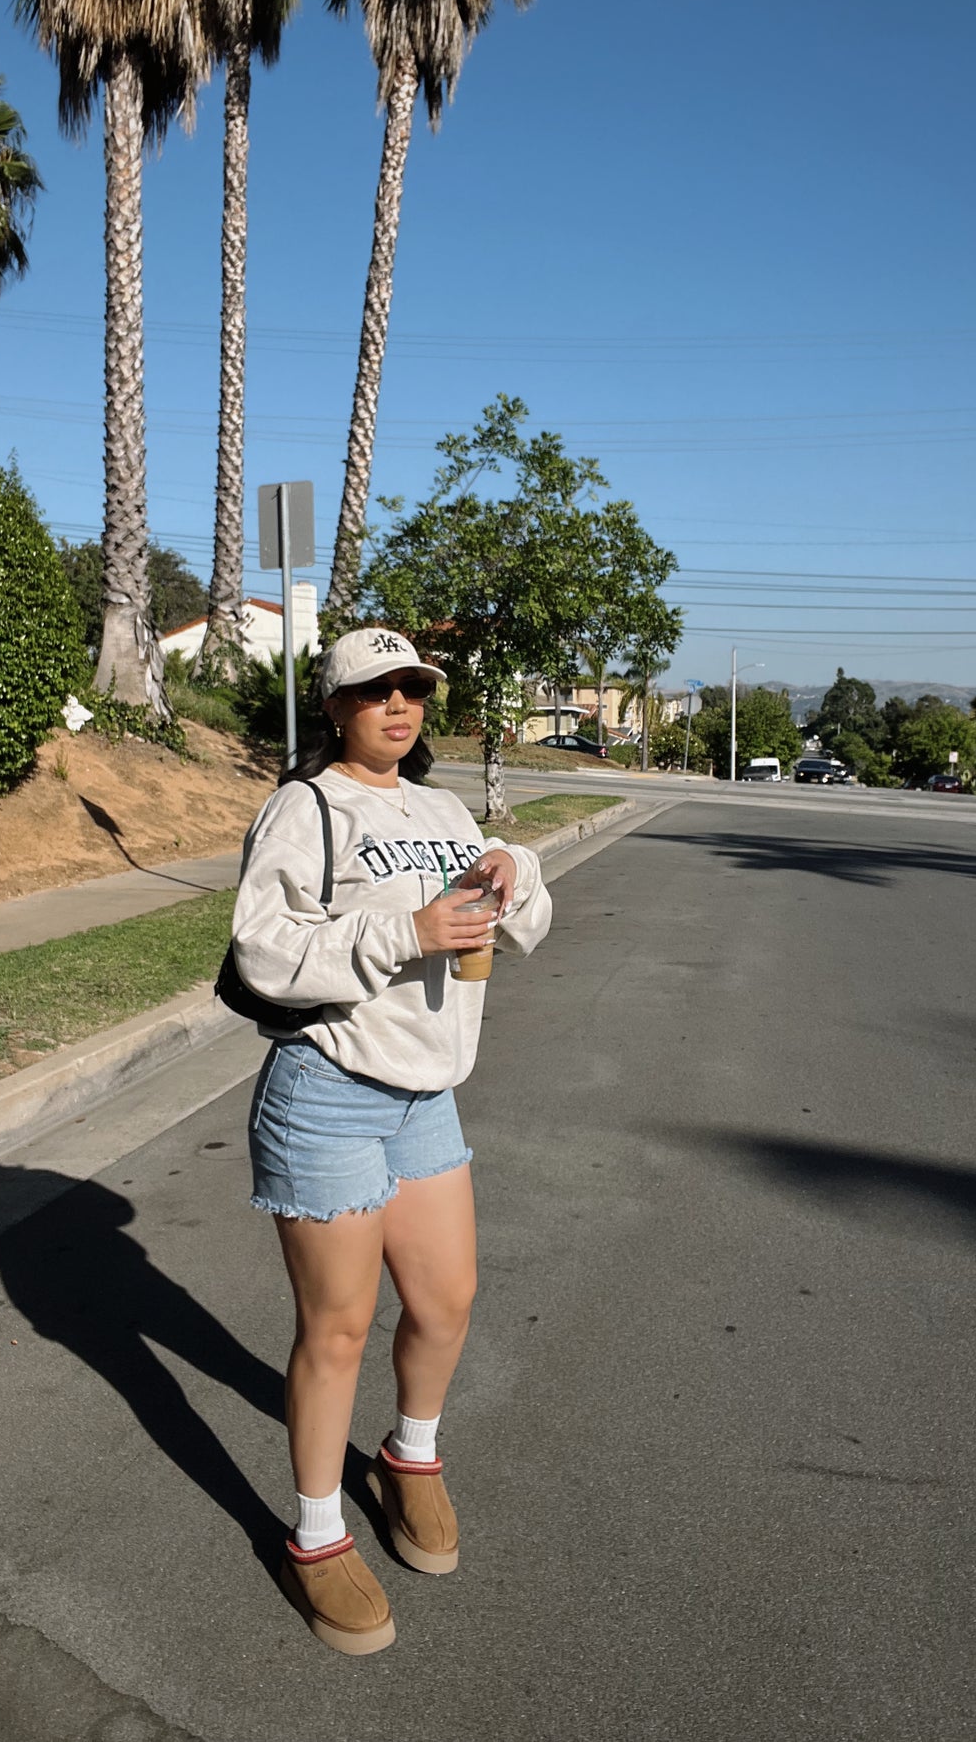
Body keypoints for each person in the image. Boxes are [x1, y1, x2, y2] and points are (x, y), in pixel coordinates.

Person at [230, 627, 552, 1654]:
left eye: (412, 688)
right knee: (336, 1327)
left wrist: (514, 866)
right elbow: (263, 950)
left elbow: (525, 914)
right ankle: (316, 1534)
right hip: (326, 1090)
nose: (398, 705)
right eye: (374, 691)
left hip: (426, 1097)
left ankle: (410, 1457)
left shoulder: (440, 806)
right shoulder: (304, 808)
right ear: (334, 707)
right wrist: (403, 932)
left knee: (446, 1299)